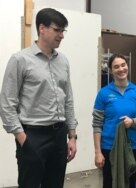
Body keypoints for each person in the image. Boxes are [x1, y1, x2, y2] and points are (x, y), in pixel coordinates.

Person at [0, 8, 78, 188]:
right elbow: (6, 104)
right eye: (57, 30)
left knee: (55, 184)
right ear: (42, 28)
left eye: (63, 31)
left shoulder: (63, 61)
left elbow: (68, 100)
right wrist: (22, 139)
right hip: (32, 136)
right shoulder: (20, 60)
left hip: (59, 136)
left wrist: (72, 136)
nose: (62, 35)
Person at [92, 54, 136, 188]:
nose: (121, 69)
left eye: (123, 65)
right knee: (109, 183)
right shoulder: (104, 93)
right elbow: (97, 124)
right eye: (116, 67)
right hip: (109, 148)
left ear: (127, 66)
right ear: (111, 70)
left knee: (130, 183)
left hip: (133, 147)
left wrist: (133, 122)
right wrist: (98, 152)